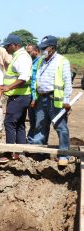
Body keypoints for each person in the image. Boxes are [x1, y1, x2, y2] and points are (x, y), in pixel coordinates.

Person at [32, 35, 73, 166]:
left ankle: (64, 155)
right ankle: (39, 154)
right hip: (41, 98)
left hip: (55, 100)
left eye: (45, 48)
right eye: (41, 48)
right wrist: (35, 97)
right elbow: (36, 79)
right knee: (40, 126)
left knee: (61, 127)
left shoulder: (62, 61)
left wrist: (66, 100)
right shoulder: (40, 61)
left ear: (52, 48)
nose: (42, 50)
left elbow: (67, 81)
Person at [0, 34, 32, 163]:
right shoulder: (18, 56)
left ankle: (9, 153)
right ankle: (20, 152)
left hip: (19, 96)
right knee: (19, 124)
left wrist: (8, 87)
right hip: (21, 96)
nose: (6, 47)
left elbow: (23, 77)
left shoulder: (22, 57)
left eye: (7, 45)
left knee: (9, 123)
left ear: (15, 45)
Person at [25, 44, 40, 144]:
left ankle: (34, 143)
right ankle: (31, 141)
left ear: (36, 51)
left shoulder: (40, 62)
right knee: (32, 121)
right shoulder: (30, 62)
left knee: (36, 122)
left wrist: (34, 98)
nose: (28, 54)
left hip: (37, 97)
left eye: (29, 52)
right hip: (30, 95)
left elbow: (36, 81)